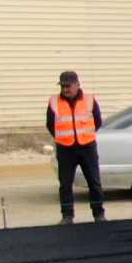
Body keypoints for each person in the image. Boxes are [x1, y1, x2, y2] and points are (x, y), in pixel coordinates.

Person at [47, 70, 106, 224]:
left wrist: (85, 136)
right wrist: (64, 138)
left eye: (69, 85)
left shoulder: (89, 100)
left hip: (87, 148)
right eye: (63, 86)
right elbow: (50, 124)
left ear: (78, 84)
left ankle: (98, 214)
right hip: (65, 149)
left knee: (94, 182)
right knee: (65, 184)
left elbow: (97, 121)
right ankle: (67, 216)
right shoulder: (54, 102)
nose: (66, 89)